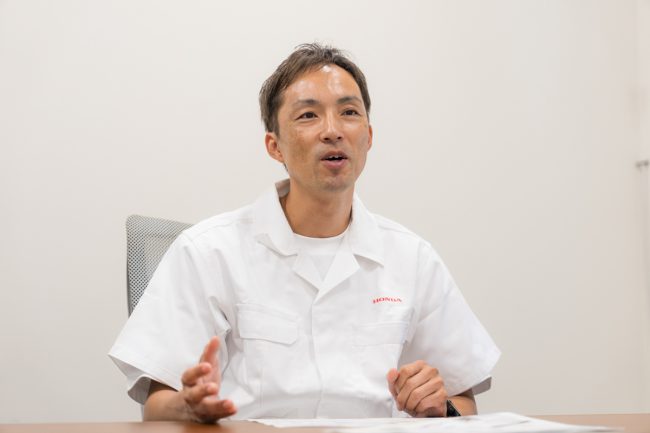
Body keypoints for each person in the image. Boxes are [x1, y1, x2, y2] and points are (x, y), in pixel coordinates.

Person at [109, 43, 500, 423]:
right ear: (274, 146)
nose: (333, 130)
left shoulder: (412, 258)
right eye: (308, 115)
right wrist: (189, 408)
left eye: (349, 112)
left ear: (368, 136)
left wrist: (441, 409)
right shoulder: (207, 251)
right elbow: (157, 406)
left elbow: (462, 401)